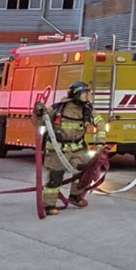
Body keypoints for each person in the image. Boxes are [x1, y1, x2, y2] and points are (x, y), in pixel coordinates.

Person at [31, 81, 106, 217]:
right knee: (55, 177)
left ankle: (75, 196)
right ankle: (49, 205)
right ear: (76, 95)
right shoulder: (58, 108)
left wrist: (100, 142)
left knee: (84, 171)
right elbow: (40, 122)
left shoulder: (87, 110)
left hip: (77, 148)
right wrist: (38, 112)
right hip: (58, 150)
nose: (88, 96)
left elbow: (101, 123)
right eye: (85, 94)